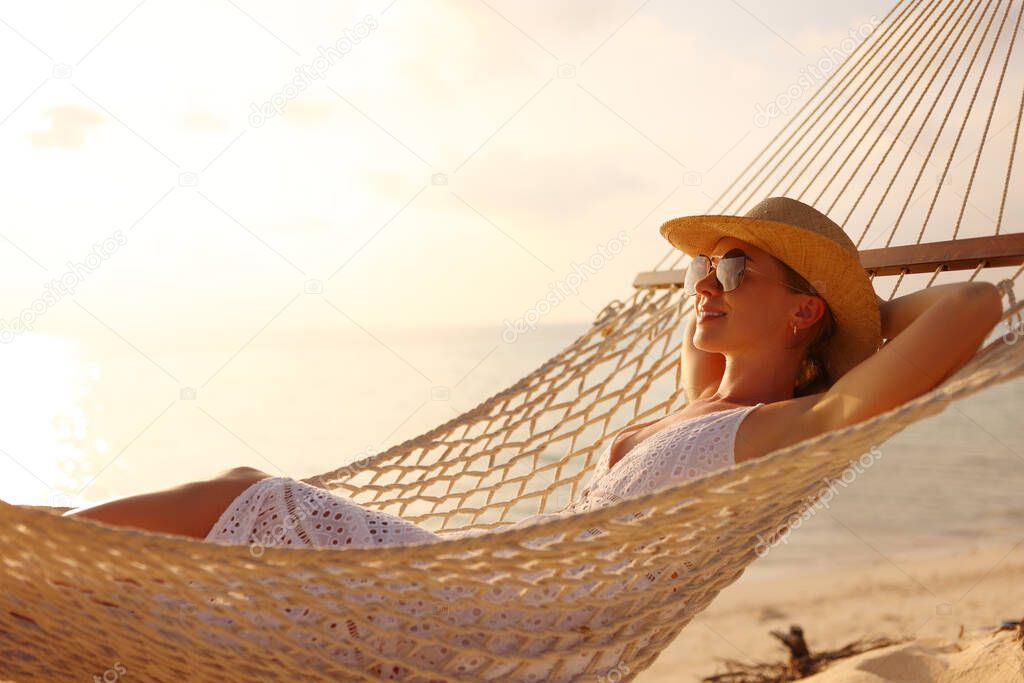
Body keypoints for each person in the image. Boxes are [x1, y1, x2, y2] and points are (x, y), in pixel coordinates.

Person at [63, 196, 1005, 543]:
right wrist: (771, 293)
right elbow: (710, 330)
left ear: (804, 310)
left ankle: (35, 543)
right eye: (699, 269)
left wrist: (857, 311)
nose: (702, 286)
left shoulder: (782, 427)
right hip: (491, 592)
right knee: (228, 519)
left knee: (254, 494)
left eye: (731, 267)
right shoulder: (701, 399)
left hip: (503, 638)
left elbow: (973, 305)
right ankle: (40, 555)